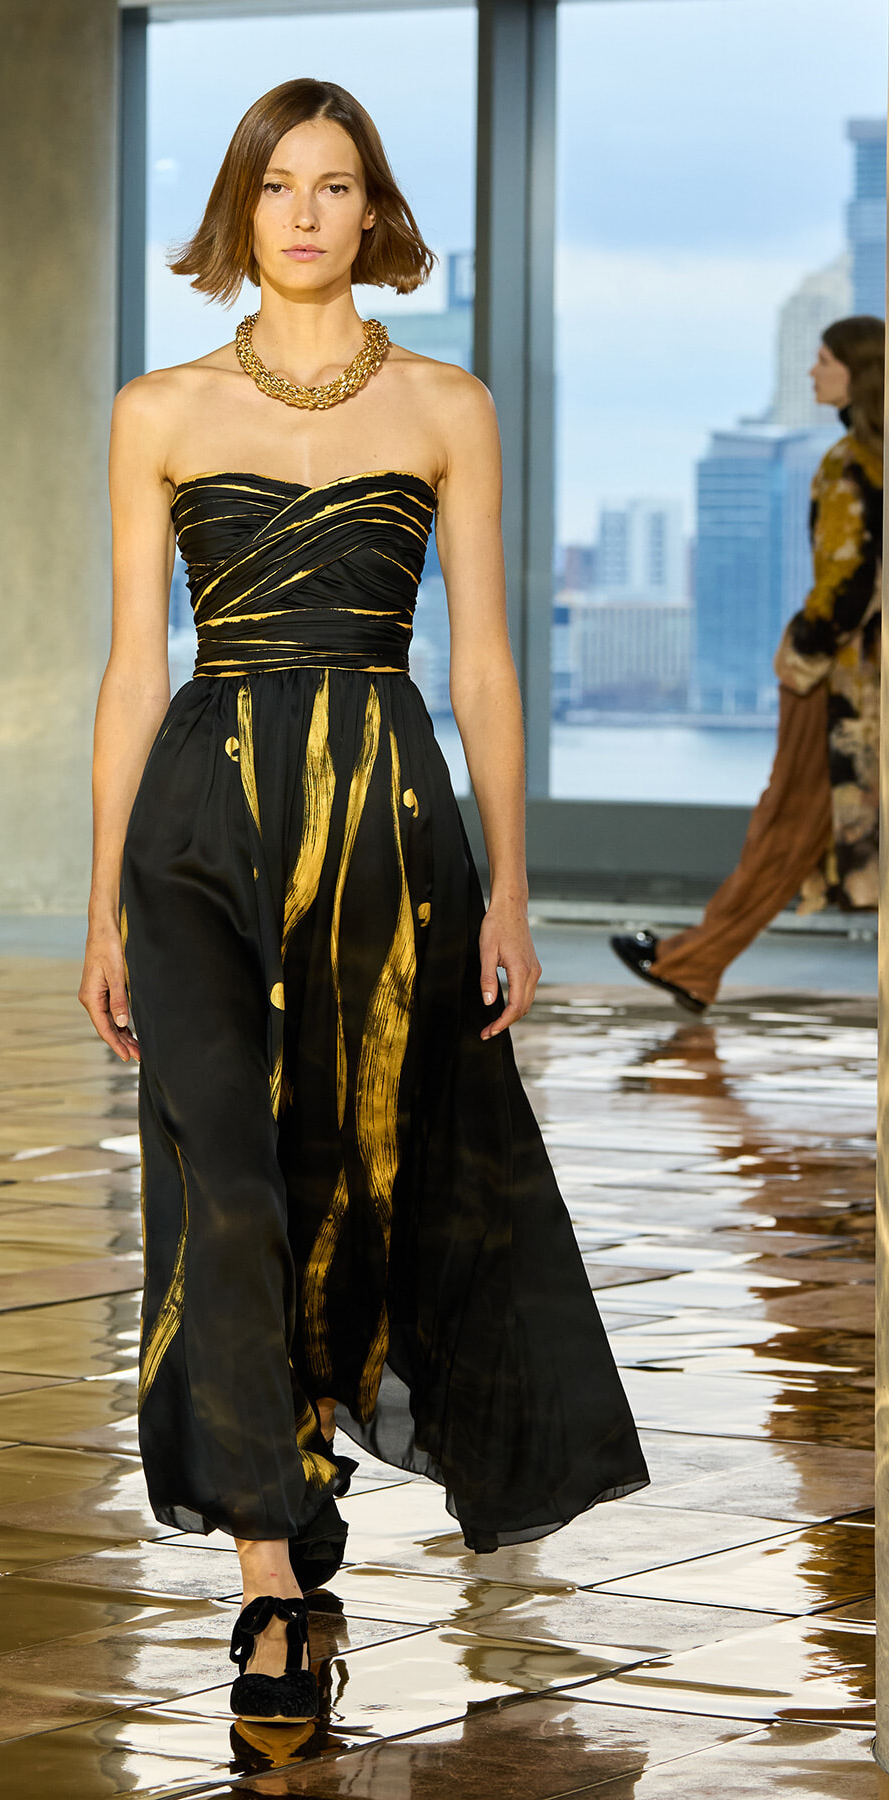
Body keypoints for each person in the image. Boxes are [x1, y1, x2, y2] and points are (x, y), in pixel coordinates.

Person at [79, 78, 648, 1726]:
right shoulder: (159, 410)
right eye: (280, 185)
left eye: (338, 186)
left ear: (373, 210)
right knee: (228, 1187)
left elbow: (483, 662)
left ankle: (296, 1512)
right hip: (197, 828)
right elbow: (133, 672)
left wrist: (515, 889)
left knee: (351, 1186)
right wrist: (99, 905)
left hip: (391, 830)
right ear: (241, 211)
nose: (309, 213)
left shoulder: (446, 405)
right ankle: (273, 1577)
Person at [612, 316, 885, 1012]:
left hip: (842, 685)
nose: (811, 372)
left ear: (858, 374)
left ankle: (693, 962)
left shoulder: (852, 465)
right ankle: (692, 958)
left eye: (823, 360)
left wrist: (800, 655)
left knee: (786, 825)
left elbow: (849, 581)